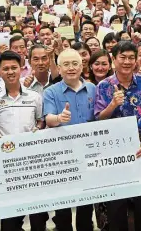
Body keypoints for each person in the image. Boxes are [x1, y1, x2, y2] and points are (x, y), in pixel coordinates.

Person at [94, 41, 141, 231]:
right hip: (115, 158)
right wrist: (112, 105)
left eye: (131, 58)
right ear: (113, 59)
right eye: (122, 57)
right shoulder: (103, 86)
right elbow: (99, 119)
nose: (127, 62)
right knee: (116, 208)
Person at [0, 51, 47, 231]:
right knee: (10, 221)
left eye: (14, 67)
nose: (10, 71)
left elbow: (40, 120)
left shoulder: (34, 97)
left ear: (21, 69)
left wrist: (39, 128)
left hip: (33, 163)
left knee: (38, 217)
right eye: (5, 69)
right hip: (7, 165)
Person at [43, 49, 95, 231]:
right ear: (58, 68)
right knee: (63, 206)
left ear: (82, 67)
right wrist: (59, 119)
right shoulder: (50, 92)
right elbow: (48, 118)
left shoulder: (93, 89)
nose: (71, 68)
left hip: (89, 154)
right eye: (66, 64)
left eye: (75, 64)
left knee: (86, 204)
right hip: (62, 156)